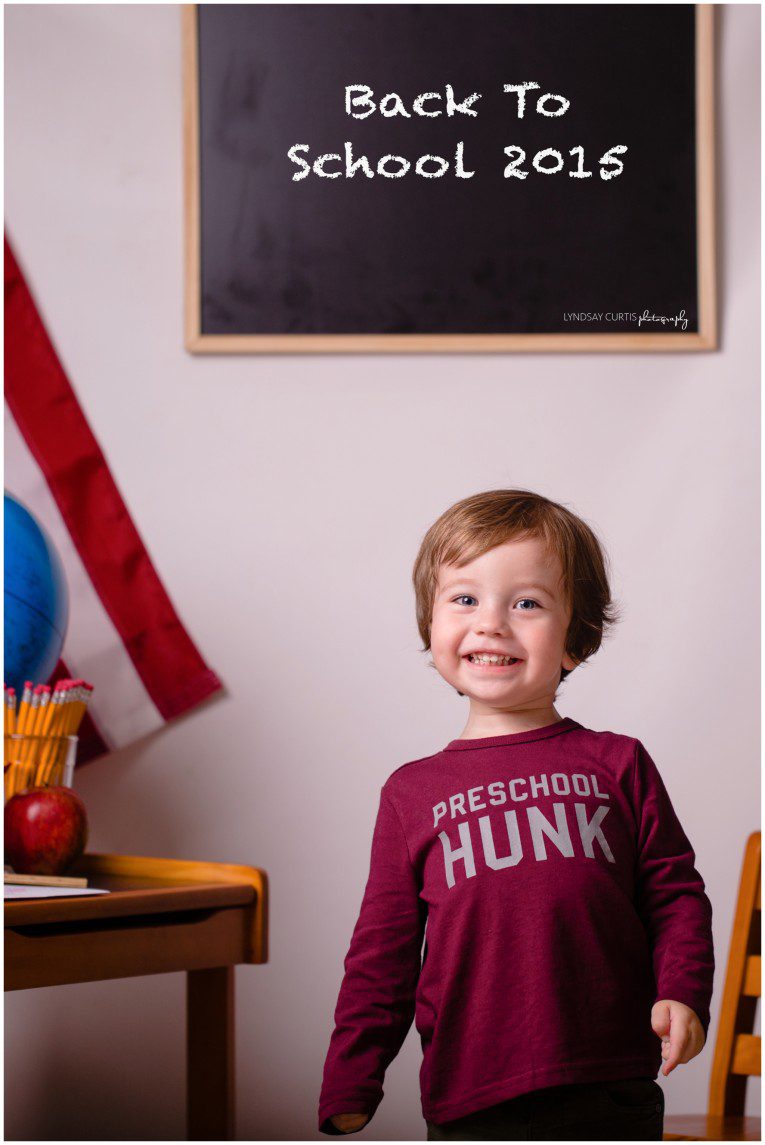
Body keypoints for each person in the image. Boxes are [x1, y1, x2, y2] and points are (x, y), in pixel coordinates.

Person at [318, 489, 714, 1141]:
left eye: (525, 602)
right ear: (432, 626)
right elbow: (382, 949)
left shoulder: (617, 763)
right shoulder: (411, 792)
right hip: (472, 1090)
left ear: (573, 641)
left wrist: (681, 989)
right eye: (464, 598)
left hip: (606, 1080)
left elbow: (674, 896)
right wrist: (350, 1075)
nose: (491, 622)